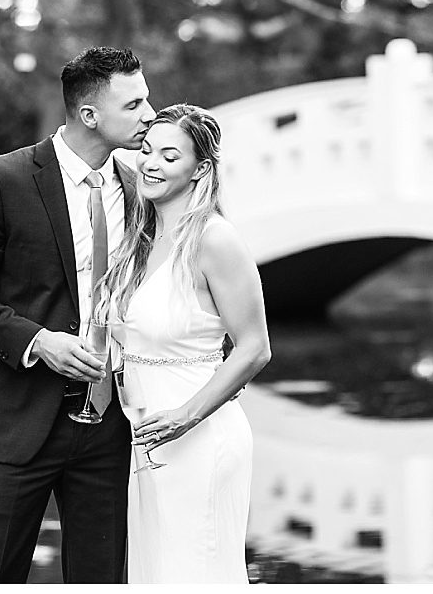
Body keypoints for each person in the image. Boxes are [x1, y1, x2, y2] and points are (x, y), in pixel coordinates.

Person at [0, 47, 155, 583]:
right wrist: (39, 341)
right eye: (134, 105)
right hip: (15, 419)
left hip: (111, 426)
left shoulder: (139, 189)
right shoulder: (1, 180)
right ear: (90, 115)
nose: (150, 115)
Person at [100, 104, 270, 583]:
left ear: (200, 169)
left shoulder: (215, 240)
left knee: (196, 572)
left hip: (199, 438)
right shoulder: (138, 240)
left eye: (169, 156)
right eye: (147, 151)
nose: (150, 164)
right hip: (145, 439)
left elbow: (254, 347)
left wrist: (185, 417)